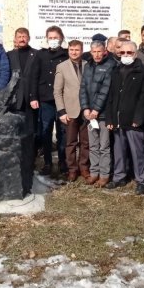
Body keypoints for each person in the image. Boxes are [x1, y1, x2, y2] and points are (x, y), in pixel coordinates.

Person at [105, 40, 144, 193]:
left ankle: (141, 180)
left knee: (137, 151)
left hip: (134, 120)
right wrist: (110, 118)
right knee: (119, 151)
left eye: (129, 52)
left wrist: (138, 118)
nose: (125, 55)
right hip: (118, 118)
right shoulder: (116, 71)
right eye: (122, 52)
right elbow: (111, 96)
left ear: (135, 54)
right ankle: (119, 177)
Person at [30, 25, 69, 176]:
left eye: (56, 38)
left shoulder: (66, 55)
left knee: (62, 133)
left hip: (62, 100)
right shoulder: (40, 55)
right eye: (50, 38)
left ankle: (62, 161)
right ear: (46, 39)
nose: (53, 40)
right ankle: (47, 162)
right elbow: (34, 76)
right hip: (45, 99)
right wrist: (33, 97)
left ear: (61, 38)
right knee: (45, 132)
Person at [80, 40, 116, 187]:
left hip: (103, 114)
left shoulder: (110, 66)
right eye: (93, 52)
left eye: (99, 51)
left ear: (104, 51)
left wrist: (96, 109)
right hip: (90, 115)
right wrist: (86, 108)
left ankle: (104, 174)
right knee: (93, 145)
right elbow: (83, 89)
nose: (96, 55)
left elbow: (105, 90)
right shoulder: (88, 66)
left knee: (104, 146)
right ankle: (94, 172)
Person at [7, 27, 38, 196]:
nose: (22, 39)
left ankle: (30, 162)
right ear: (15, 38)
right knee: (16, 132)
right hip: (14, 100)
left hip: (31, 101)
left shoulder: (36, 54)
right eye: (19, 36)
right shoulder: (9, 55)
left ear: (29, 37)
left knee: (30, 133)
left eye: (24, 36)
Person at [54, 40, 89, 182]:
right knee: (70, 142)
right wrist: (62, 111)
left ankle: (84, 168)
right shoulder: (62, 67)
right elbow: (57, 91)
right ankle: (72, 169)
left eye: (77, 50)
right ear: (68, 50)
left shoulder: (88, 65)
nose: (74, 52)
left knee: (86, 142)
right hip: (70, 110)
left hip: (86, 110)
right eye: (71, 49)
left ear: (82, 50)